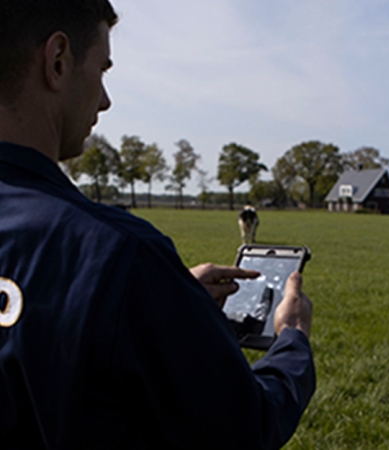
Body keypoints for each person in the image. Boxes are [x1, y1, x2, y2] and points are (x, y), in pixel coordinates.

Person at [0, 1, 315, 448]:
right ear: (57, 61)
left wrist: (153, 302)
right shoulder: (117, 253)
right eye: (102, 69)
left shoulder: (124, 274)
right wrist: (293, 339)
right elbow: (247, 426)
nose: (106, 99)